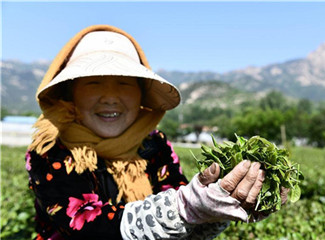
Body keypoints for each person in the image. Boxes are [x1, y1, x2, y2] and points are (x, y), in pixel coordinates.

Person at [26, 25, 288, 240]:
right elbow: (88, 227)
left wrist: (217, 206)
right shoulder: (51, 149)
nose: (110, 98)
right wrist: (186, 206)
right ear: (71, 93)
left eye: (124, 83)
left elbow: (186, 225)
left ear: (141, 93)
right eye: (93, 83)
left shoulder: (155, 144)